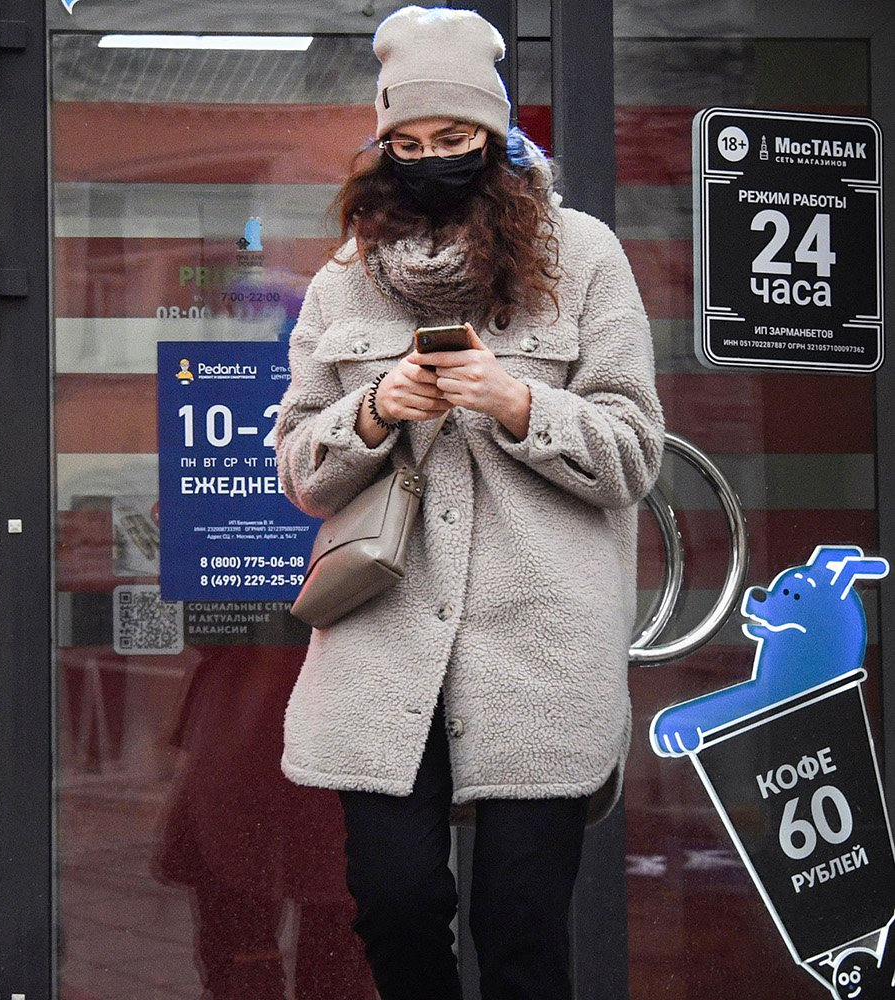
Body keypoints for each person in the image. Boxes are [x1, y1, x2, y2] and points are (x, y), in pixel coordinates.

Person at [272, 6, 665, 1000]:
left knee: (523, 923)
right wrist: (372, 411)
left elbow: (634, 454)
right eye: (409, 143)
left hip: (539, 642)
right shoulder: (343, 281)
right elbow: (301, 467)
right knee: (394, 897)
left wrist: (517, 401)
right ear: (383, 147)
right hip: (385, 637)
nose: (433, 160)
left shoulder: (584, 258)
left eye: (454, 142)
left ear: (495, 138)